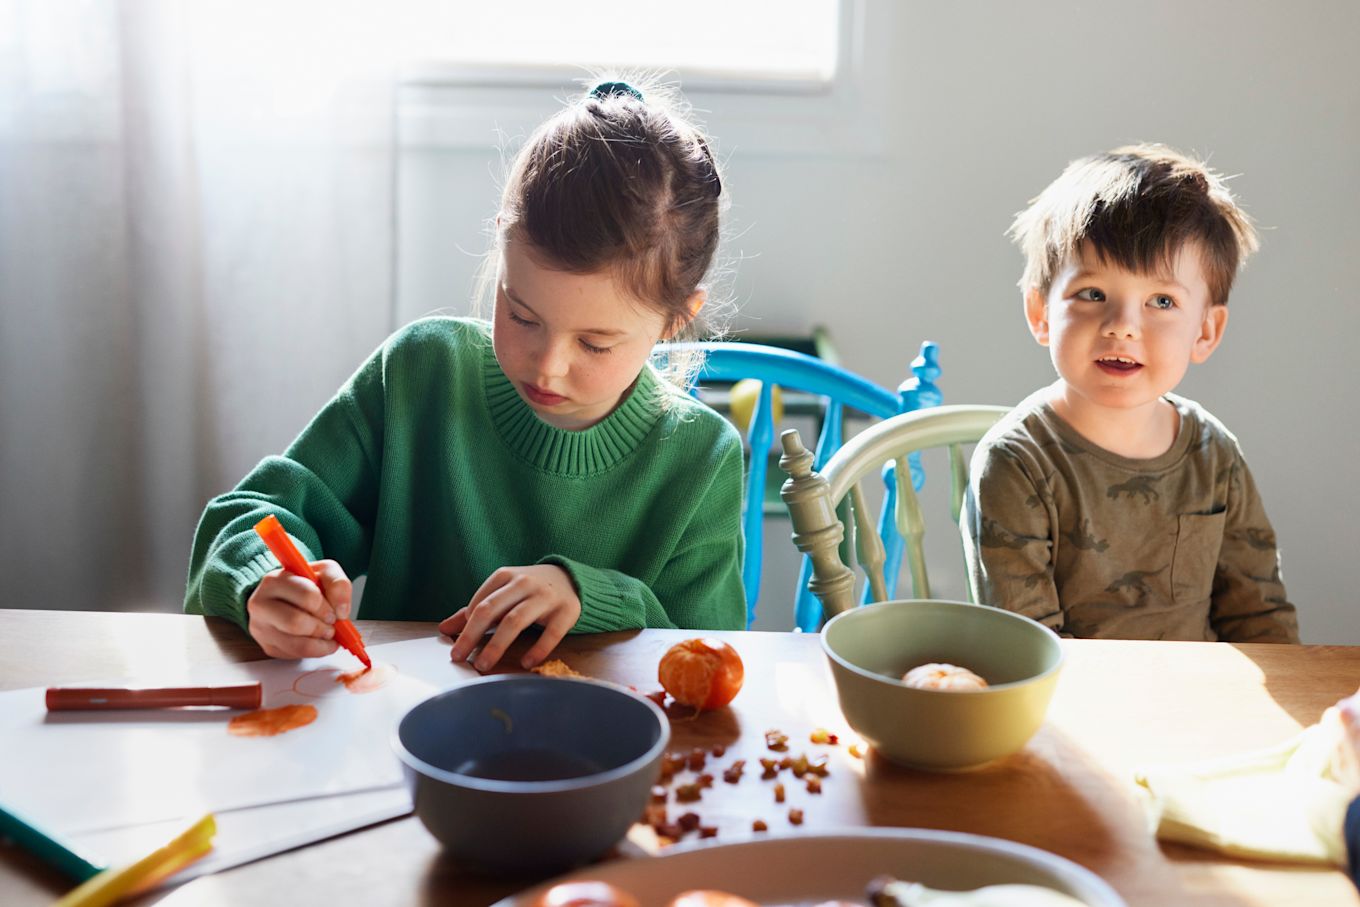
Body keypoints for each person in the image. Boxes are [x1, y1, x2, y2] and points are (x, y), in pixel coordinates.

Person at [184, 78, 745, 671]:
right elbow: (251, 516)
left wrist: (590, 597)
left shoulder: (699, 459)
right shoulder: (420, 374)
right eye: (522, 315)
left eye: (595, 343)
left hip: (601, 750)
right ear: (500, 251)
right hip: (400, 737)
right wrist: (265, 583)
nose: (549, 366)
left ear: (676, 320)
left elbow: (712, 660)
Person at [962, 144, 1298, 642]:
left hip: (1203, 705)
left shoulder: (1214, 454)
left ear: (1205, 331)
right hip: (1075, 708)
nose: (1122, 327)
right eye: (1093, 294)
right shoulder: (1016, 463)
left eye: (1161, 301)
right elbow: (1031, 648)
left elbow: (1259, 620)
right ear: (1041, 314)